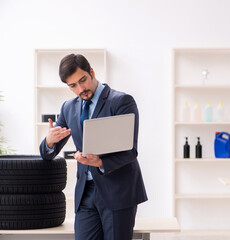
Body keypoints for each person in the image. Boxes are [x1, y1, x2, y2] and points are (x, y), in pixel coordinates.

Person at [39, 54, 148, 240]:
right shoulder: (68, 107)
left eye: (83, 80)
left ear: (91, 72)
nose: (81, 89)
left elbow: (131, 151)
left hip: (117, 191)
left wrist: (100, 161)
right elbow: (48, 153)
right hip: (86, 193)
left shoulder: (121, 102)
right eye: (73, 86)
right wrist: (49, 141)